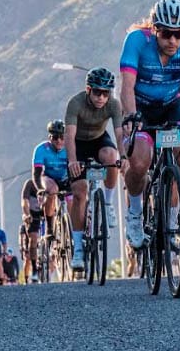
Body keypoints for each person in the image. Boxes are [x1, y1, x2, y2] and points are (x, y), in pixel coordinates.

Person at [119, 0, 180, 250]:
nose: (173, 40)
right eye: (167, 34)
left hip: (172, 105)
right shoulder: (138, 40)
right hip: (141, 108)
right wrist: (130, 115)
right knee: (139, 161)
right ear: (154, 29)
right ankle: (136, 216)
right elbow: (126, 85)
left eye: (179, 34)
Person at [63, 66, 125, 273]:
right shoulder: (76, 103)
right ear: (88, 89)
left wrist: (124, 156)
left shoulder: (113, 105)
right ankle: (79, 248)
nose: (101, 97)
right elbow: (69, 137)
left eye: (105, 93)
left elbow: (118, 133)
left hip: (99, 140)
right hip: (78, 145)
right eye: (97, 92)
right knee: (80, 192)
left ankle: (107, 203)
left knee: (111, 156)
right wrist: (72, 161)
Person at [32, 120, 70, 243]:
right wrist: (40, 190)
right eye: (55, 137)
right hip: (48, 178)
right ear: (50, 138)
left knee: (75, 198)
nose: (59, 140)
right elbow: (36, 173)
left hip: (65, 178)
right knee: (52, 190)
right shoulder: (41, 149)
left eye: (62, 137)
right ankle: (49, 227)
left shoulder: (70, 147)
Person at [20, 177, 43, 281]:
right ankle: (34, 268)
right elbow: (24, 202)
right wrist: (27, 214)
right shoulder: (30, 183)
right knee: (33, 239)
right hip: (33, 214)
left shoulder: (50, 180)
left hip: (47, 211)